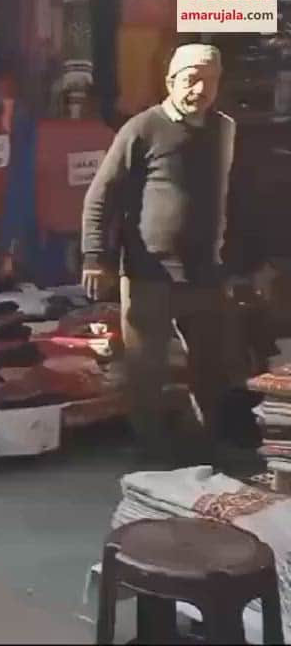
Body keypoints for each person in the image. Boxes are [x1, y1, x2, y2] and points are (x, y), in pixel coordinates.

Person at [82, 44, 253, 465]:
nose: (200, 88)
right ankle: (151, 450)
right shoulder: (142, 128)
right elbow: (101, 195)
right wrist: (94, 255)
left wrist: (242, 263)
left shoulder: (224, 129)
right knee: (146, 371)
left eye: (209, 80)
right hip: (148, 271)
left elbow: (238, 198)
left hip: (205, 273)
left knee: (211, 366)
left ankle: (205, 446)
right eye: (191, 79)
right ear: (170, 82)